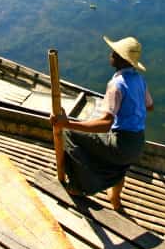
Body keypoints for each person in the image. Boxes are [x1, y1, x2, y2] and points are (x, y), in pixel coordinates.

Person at [50, 35, 153, 211]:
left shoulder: (116, 84)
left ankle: (79, 186)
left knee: (69, 134)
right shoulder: (139, 80)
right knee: (119, 164)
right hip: (137, 143)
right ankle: (115, 199)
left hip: (121, 144)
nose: (111, 54)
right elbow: (149, 106)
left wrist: (66, 124)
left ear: (120, 59)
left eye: (114, 52)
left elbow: (105, 123)